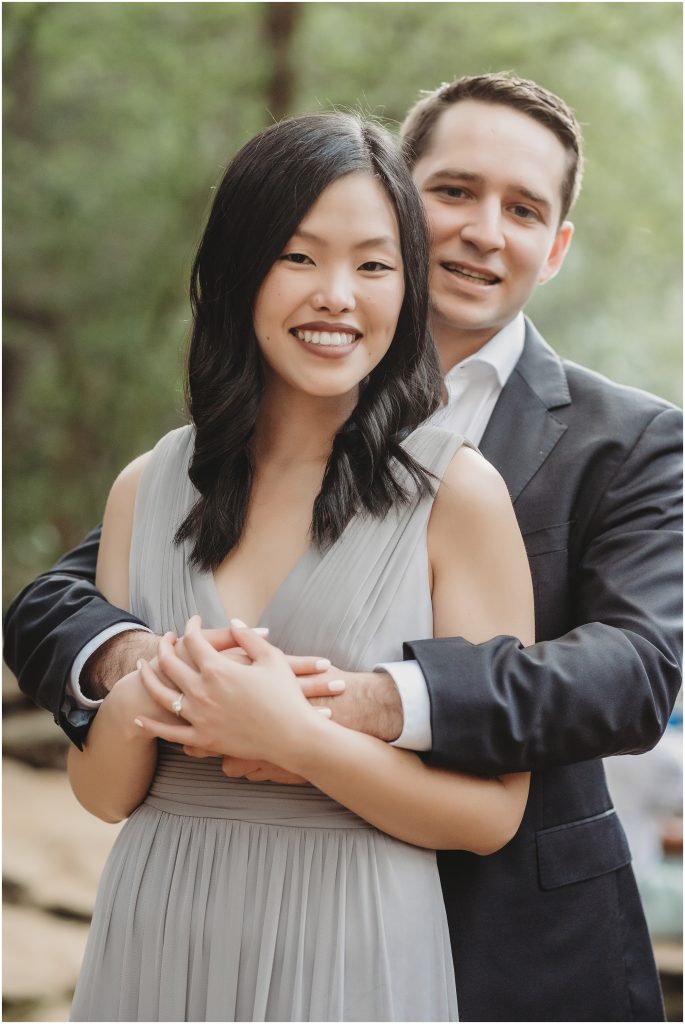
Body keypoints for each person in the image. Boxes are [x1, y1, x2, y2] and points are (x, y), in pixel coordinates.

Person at [4, 73, 681, 1021]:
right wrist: (144, 667)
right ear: (402, 196)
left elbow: (637, 671)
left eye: (522, 208)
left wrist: (346, 709)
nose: (484, 229)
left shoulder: (624, 442)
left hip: (504, 941)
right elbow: (61, 605)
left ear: (555, 245)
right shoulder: (189, 464)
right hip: (178, 925)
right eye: (453, 191)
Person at [57, 110, 536, 1022]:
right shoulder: (145, 486)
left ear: (407, 287)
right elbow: (103, 793)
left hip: (351, 938)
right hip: (157, 927)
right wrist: (138, 697)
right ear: (239, 269)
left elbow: (489, 816)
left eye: (373, 264)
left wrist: (300, 739)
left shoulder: (458, 499)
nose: (337, 296)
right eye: (298, 257)